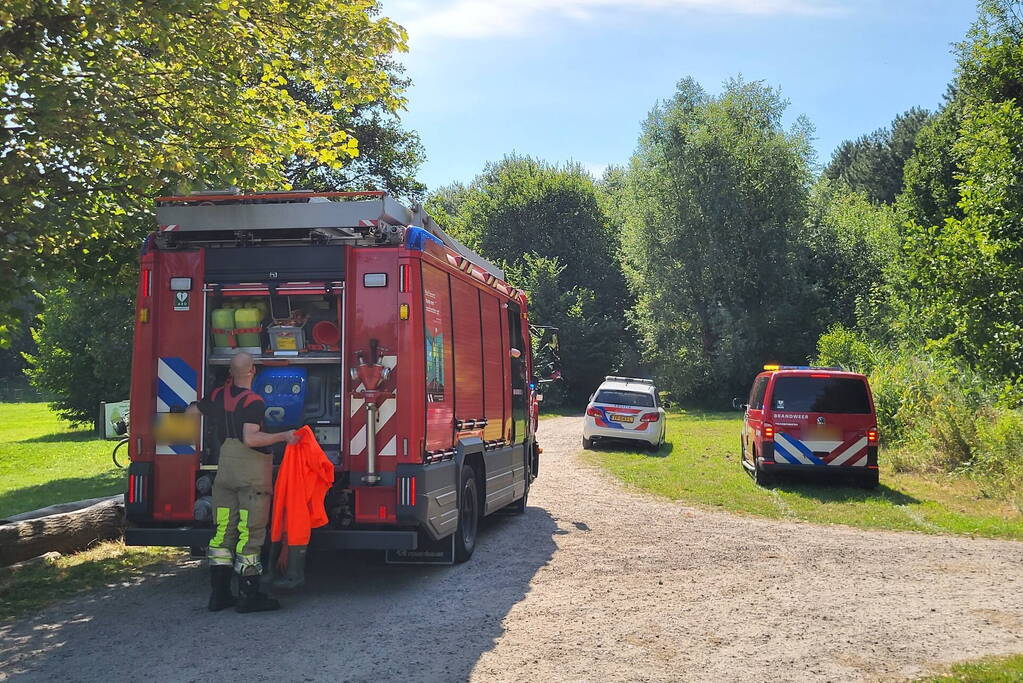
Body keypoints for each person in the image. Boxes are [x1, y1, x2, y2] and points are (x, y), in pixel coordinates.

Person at [187, 351, 298, 613]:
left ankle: (219, 595)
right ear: (252, 371)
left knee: (223, 531)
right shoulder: (253, 401)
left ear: (230, 372)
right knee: (250, 533)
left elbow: (192, 411)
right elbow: (251, 438)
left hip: (225, 470)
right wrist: (284, 436)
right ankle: (249, 596)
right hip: (250, 474)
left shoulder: (217, 395)